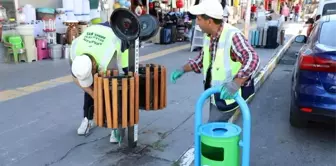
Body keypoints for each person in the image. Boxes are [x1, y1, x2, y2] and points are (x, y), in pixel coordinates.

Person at [170, 0, 259, 123]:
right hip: (216, 94)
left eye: (199, 19)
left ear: (209, 21)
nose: (196, 22)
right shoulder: (209, 36)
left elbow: (253, 58)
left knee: (212, 132)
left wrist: (236, 83)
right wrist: (182, 69)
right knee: (216, 131)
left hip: (231, 95)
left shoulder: (232, 36)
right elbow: (201, 60)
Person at [70, 19, 129, 143]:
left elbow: (118, 78)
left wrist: (104, 98)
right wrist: (94, 94)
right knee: (92, 86)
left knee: (115, 89)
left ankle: (117, 125)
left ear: (94, 64)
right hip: (95, 32)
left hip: (116, 36)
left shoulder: (106, 59)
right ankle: (88, 118)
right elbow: (76, 78)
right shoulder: (75, 51)